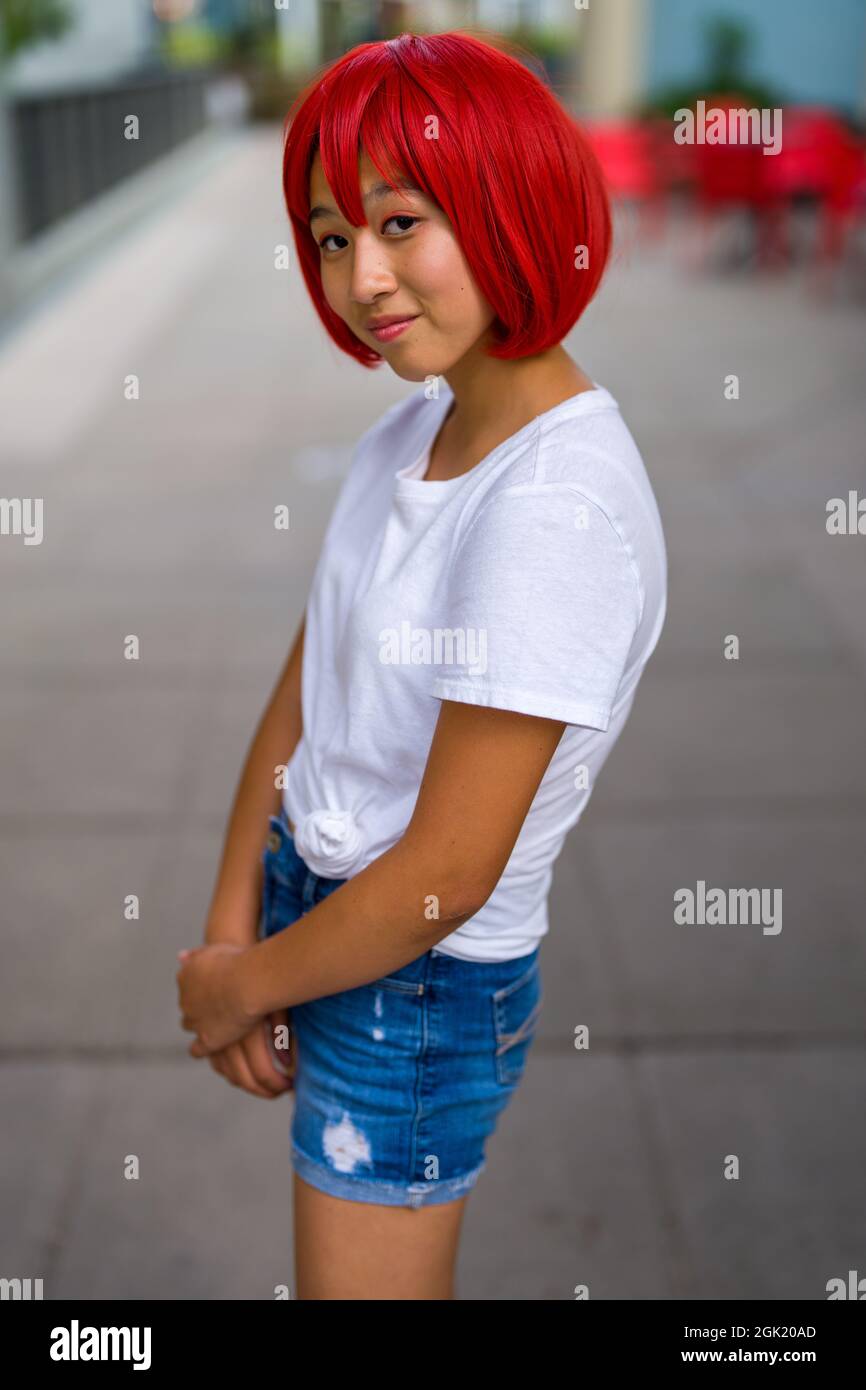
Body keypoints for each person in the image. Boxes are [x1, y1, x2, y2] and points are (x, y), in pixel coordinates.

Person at [177, 29, 667, 1300]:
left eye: (401, 223)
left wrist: (241, 986)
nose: (361, 276)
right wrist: (237, 915)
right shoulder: (412, 430)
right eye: (334, 235)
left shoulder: (551, 509)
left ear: (513, 204)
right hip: (322, 915)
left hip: (416, 983)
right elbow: (307, 685)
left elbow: (446, 876)